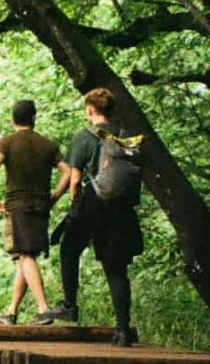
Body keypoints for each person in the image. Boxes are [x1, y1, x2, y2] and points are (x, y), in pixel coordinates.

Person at [44, 88, 143, 346]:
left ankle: (69, 305)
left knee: (69, 249)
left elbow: (75, 179)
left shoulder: (84, 136)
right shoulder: (124, 137)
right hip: (120, 209)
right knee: (116, 268)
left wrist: (73, 208)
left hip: (93, 203)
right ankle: (122, 330)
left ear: (90, 109)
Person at [0, 99, 71, 325]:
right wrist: (55, 195)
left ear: (13, 118)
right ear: (34, 118)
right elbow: (68, 172)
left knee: (25, 255)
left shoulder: (7, 142)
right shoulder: (47, 144)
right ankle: (11, 311)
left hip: (18, 206)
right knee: (24, 256)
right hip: (41, 206)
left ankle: (44, 309)